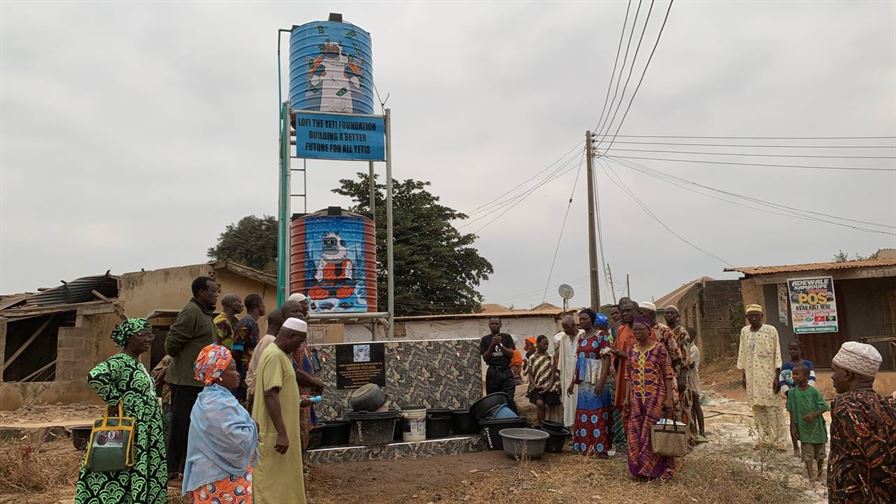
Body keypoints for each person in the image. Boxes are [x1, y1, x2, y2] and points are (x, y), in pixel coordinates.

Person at [75, 319, 167, 503]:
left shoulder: (136, 362)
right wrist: (117, 400)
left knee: (131, 466)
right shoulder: (121, 360)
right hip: (131, 427)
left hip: (144, 428)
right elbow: (95, 377)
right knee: (121, 462)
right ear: (128, 338)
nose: (148, 339)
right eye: (142, 334)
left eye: (150, 334)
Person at [183, 344, 258, 502]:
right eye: (233, 369)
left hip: (207, 477)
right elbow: (237, 441)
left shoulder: (206, 400)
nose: (238, 374)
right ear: (219, 373)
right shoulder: (219, 404)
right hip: (223, 481)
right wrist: (253, 428)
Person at [827, 341, 896, 503]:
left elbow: (870, 457)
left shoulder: (845, 404)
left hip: (855, 493)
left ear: (848, 375)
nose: (832, 376)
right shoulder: (883, 403)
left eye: (834, 370)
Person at [166, 276, 219, 479]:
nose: (216, 295)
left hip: (199, 381)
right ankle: (172, 470)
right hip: (186, 380)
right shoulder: (191, 313)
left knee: (196, 426)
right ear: (200, 292)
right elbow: (171, 344)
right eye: (212, 291)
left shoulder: (204, 314)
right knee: (181, 425)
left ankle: (185, 468)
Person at [252, 317, 309, 503]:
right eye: (300, 341)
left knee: (283, 487)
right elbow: (270, 394)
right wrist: (282, 433)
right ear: (291, 335)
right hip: (274, 435)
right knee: (271, 488)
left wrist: (297, 402)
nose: (300, 346)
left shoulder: (280, 355)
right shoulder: (275, 355)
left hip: (280, 432)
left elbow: (280, 393)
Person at [623, 315, 676, 481]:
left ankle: (654, 470)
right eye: (635, 330)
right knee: (636, 431)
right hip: (636, 398)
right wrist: (626, 398)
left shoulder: (659, 348)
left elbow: (668, 373)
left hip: (656, 397)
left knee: (653, 432)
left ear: (649, 330)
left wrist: (668, 398)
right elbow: (629, 376)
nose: (637, 333)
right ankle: (638, 469)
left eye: (641, 330)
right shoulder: (632, 350)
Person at [736, 304, 786, 451]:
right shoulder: (744, 332)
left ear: (761, 316)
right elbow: (743, 353)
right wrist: (744, 376)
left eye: (756, 315)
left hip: (768, 376)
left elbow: (777, 352)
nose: (753, 318)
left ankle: (780, 441)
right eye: (749, 316)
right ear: (746, 318)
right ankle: (764, 439)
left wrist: (777, 377)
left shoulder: (771, 330)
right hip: (752, 378)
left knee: (773, 409)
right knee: (757, 409)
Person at [570, 309, 613, 457]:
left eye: (585, 319)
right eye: (580, 319)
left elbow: (607, 359)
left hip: (596, 380)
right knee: (583, 413)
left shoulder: (601, 336)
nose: (581, 322)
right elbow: (579, 361)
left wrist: (601, 381)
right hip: (583, 382)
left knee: (597, 413)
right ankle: (585, 447)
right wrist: (572, 382)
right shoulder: (581, 337)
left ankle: (600, 449)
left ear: (592, 320)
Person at [785, 363, 828, 482]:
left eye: (797, 374)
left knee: (820, 452)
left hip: (817, 428)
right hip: (803, 429)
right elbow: (791, 410)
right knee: (807, 453)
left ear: (806, 376)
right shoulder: (793, 393)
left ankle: (819, 473)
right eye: (793, 374)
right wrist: (793, 426)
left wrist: (813, 415)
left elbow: (825, 406)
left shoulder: (813, 392)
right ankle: (811, 476)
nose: (794, 376)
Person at [777, 340, 816, 455]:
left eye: (795, 349)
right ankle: (796, 448)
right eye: (791, 349)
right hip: (792, 399)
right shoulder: (786, 366)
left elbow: (812, 379)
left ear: (800, 350)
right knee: (794, 422)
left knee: (807, 421)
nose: (793, 351)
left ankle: (808, 445)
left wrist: (805, 391)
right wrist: (787, 392)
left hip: (806, 398)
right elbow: (782, 380)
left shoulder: (807, 364)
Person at [609, 299, 638, 449]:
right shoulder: (621, 330)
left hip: (640, 376)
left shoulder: (643, 330)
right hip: (622, 375)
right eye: (623, 311)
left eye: (629, 311)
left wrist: (626, 355)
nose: (625, 314)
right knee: (624, 408)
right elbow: (616, 349)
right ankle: (627, 442)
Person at [664, 305, 693, 446]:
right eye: (666, 313)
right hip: (669, 374)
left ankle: (686, 438)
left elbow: (685, 357)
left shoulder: (682, 332)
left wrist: (683, 376)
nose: (668, 315)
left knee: (682, 405)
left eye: (671, 313)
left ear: (678, 316)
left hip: (679, 373)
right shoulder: (665, 331)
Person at [479, 317, 518, 413]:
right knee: (493, 399)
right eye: (492, 324)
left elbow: (511, 354)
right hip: (493, 372)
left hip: (506, 371)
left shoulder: (507, 337)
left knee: (508, 398)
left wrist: (500, 344)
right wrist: (492, 345)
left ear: (500, 325)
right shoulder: (485, 339)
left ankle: (512, 418)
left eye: (496, 324)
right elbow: (485, 357)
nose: (494, 326)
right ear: (489, 325)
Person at [232, 294, 266, 402]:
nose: (264, 307)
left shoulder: (252, 323)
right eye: (263, 304)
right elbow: (237, 349)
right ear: (258, 305)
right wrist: (241, 370)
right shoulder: (246, 323)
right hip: (243, 374)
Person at [553, 315, 583, 428]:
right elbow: (561, 361)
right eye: (563, 328)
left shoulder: (583, 336)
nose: (565, 331)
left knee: (579, 402)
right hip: (567, 375)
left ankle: (581, 430)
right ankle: (572, 431)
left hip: (580, 376)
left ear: (574, 325)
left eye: (567, 328)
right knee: (568, 403)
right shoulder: (564, 339)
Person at [527, 335, 559, 427]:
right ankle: (541, 425)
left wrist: (549, 386)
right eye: (544, 344)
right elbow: (530, 374)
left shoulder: (550, 357)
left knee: (548, 406)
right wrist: (535, 385)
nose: (546, 346)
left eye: (547, 344)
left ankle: (549, 426)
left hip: (549, 385)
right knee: (540, 404)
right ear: (537, 344)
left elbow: (553, 373)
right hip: (536, 386)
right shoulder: (532, 358)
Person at [684, 334, 706, 443]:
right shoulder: (685, 349)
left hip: (692, 379)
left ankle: (702, 431)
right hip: (687, 379)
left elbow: (688, 364)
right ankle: (694, 431)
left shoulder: (693, 349)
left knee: (696, 404)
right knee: (690, 406)